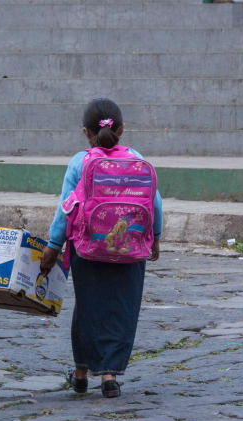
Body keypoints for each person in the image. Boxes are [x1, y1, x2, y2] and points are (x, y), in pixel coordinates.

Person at [40, 98, 163, 398]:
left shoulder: (79, 161)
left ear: (86, 133)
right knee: (121, 307)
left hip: (87, 247)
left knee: (87, 307)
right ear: (121, 129)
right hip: (130, 248)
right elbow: (155, 203)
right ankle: (110, 375)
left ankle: (81, 374)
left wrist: (53, 246)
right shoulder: (137, 157)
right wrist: (155, 238)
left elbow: (66, 208)